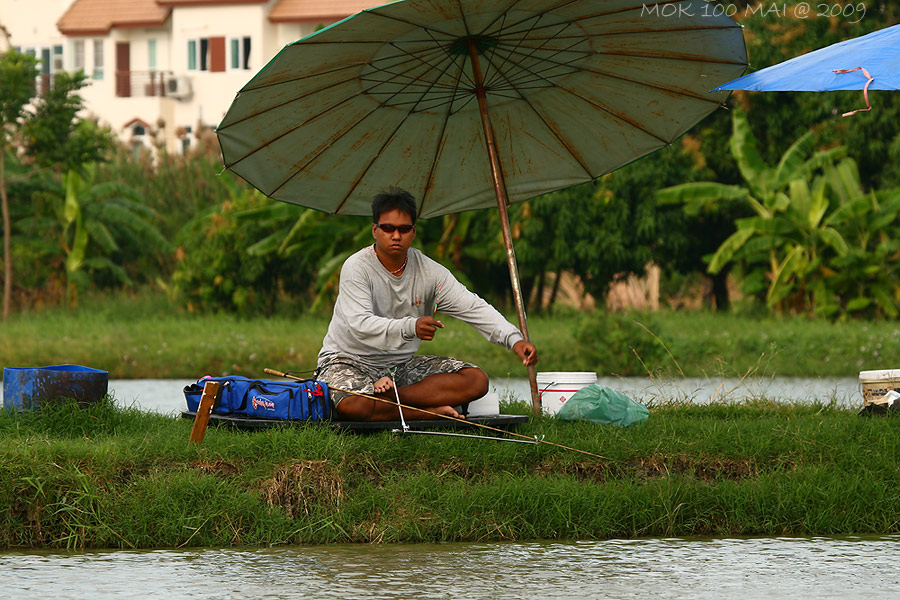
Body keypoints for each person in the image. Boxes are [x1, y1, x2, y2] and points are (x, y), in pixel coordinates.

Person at [316, 187, 538, 421]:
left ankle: (390, 398)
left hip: (398, 368)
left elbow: (472, 307)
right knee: (353, 406)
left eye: (403, 229)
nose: (395, 235)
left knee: (476, 380)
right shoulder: (357, 267)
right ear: (375, 230)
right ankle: (426, 412)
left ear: (413, 232)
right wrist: (411, 326)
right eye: (388, 228)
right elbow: (360, 324)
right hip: (347, 361)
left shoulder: (430, 272)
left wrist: (514, 340)